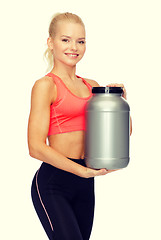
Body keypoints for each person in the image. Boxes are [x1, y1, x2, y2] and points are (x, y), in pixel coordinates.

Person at [28, 12, 132, 240]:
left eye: (80, 41)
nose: (74, 46)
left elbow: (122, 135)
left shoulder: (92, 87)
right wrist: (82, 171)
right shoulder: (46, 85)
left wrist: (119, 101)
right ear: (50, 42)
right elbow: (35, 147)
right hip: (53, 182)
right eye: (65, 39)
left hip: (85, 183)